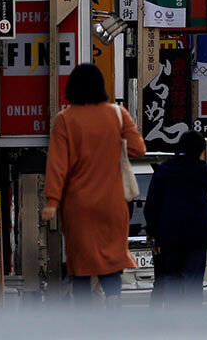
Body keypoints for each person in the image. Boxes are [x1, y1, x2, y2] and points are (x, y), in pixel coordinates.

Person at [42, 64, 147, 304]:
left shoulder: (65, 120)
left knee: (81, 263)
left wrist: (52, 200)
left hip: (78, 205)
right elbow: (138, 149)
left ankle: (84, 315)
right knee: (111, 259)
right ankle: (113, 300)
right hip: (112, 202)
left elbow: (58, 163)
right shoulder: (118, 114)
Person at [143, 131, 207, 304]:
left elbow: (151, 205)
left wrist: (152, 231)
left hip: (169, 235)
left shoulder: (164, 171)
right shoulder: (202, 170)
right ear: (200, 150)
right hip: (197, 235)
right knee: (193, 281)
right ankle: (191, 320)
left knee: (171, 279)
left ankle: (173, 320)